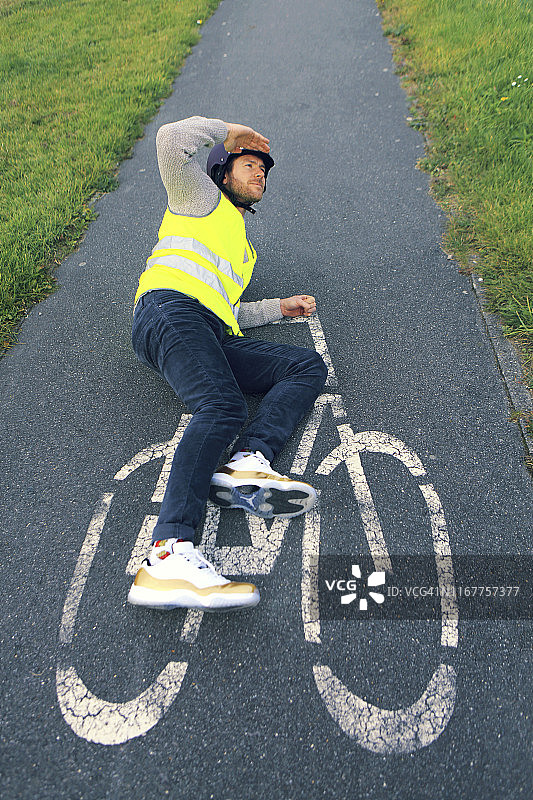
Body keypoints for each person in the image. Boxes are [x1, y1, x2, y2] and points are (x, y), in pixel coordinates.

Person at [127, 116, 327, 612]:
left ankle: (247, 462)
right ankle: (168, 552)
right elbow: (171, 140)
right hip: (167, 311)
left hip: (208, 328)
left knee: (306, 367)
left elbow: (227, 308)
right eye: (250, 163)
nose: (261, 174)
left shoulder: (242, 247)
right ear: (221, 168)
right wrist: (229, 130)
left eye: (264, 170)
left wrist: (277, 309)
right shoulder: (198, 196)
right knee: (221, 406)